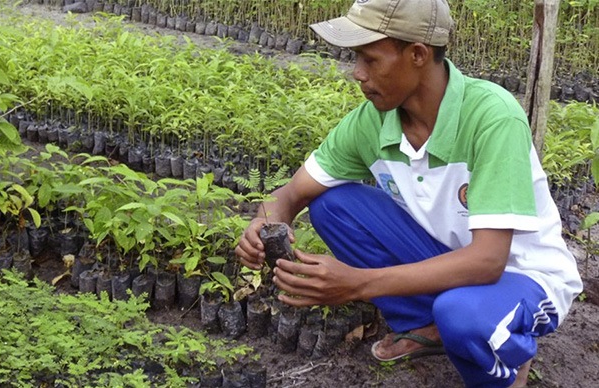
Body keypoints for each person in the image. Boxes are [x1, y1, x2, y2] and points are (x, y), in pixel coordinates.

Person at [235, 0, 583, 387]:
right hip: (449, 259)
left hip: (523, 275)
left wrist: (358, 283)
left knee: (464, 317)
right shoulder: (372, 122)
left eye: (370, 59)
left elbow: (488, 261)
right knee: (333, 205)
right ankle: (428, 326)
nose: (357, 74)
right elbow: (290, 194)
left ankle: (506, 365)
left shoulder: (491, 117)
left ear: (418, 54)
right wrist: (264, 222)